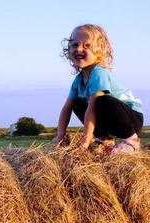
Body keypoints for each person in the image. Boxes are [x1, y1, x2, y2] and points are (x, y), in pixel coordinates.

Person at [52, 24, 144, 153]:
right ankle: (104, 138)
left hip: (131, 119)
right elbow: (67, 108)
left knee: (100, 101)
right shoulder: (79, 79)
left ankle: (132, 141)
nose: (78, 49)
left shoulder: (98, 73)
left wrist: (85, 141)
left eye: (86, 45)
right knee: (77, 102)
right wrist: (60, 135)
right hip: (112, 117)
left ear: (100, 51)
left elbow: (92, 108)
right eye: (74, 45)